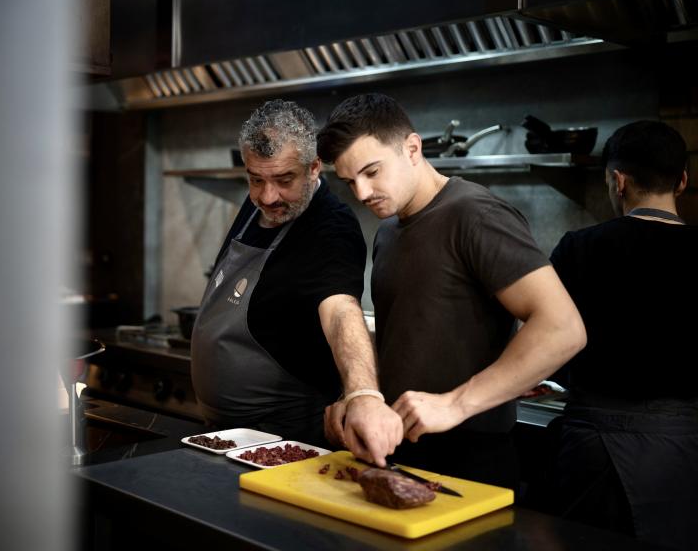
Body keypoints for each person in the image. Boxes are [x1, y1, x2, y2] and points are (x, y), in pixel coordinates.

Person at [316, 93, 586, 488]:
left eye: (372, 171)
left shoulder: (476, 215)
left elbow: (564, 328)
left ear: (412, 148)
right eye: (349, 180)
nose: (360, 192)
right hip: (401, 452)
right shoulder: (389, 230)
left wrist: (455, 404)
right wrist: (359, 398)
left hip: (472, 457)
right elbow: (407, 336)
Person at [190, 99, 378, 447]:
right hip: (224, 430)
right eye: (255, 179)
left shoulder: (331, 227)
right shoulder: (258, 202)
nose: (268, 195)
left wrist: (363, 393)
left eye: (283, 179)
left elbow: (339, 310)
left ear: (314, 168)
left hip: (284, 436)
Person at [547, 120, 697, 550]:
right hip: (682, 449)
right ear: (682, 181)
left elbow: (548, 344)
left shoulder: (578, 247)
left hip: (592, 448)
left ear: (618, 180)